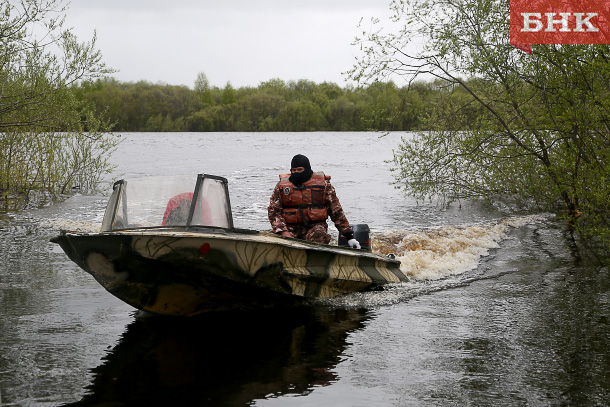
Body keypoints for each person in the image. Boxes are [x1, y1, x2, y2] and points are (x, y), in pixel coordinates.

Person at [268, 154, 361, 249]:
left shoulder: (324, 185)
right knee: (272, 240)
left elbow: (336, 212)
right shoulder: (282, 186)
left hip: (314, 227)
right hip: (289, 228)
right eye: (293, 170)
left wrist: (349, 236)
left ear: (307, 169)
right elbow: (274, 212)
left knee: (319, 235)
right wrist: (284, 231)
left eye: (300, 170)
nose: (296, 173)